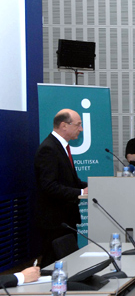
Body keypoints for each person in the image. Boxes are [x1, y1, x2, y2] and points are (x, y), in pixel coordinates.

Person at [35, 109, 88, 267]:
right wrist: (80, 192)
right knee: (52, 266)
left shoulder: (62, 147)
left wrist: (97, 185)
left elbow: (72, 181)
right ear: (64, 125)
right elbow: (49, 186)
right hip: (55, 222)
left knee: (69, 264)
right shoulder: (49, 149)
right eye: (78, 125)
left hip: (67, 219)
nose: (81, 129)